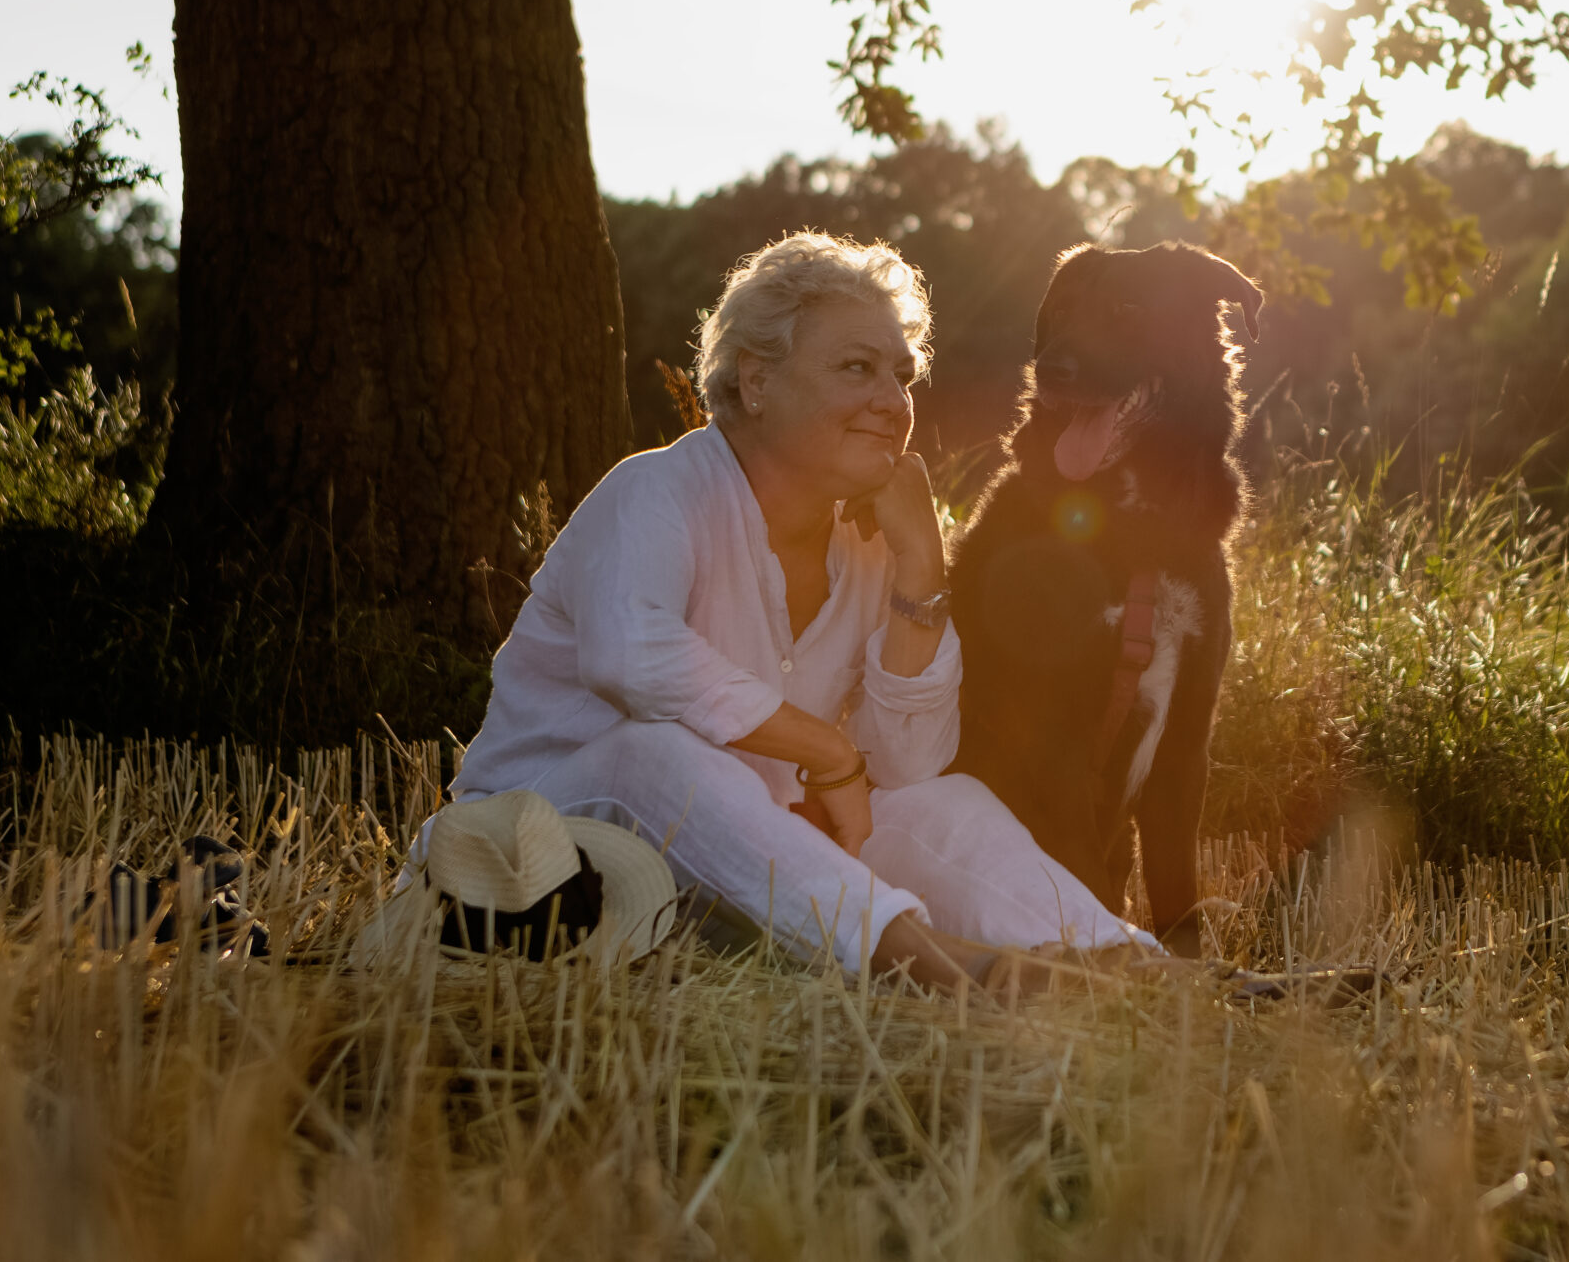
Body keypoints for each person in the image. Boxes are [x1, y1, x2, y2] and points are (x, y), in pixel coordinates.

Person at [445, 232, 1157, 987]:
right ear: (755, 381)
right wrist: (827, 750)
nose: (893, 402)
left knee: (942, 800)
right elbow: (629, 655)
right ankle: (938, 968)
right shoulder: (655, 492)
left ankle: (1126, 966)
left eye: (902, 375)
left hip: (736, 874)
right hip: (537, 865)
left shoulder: (872, 548)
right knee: (654, 751)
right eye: (857, 367)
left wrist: (921, 565)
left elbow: (909, 763)